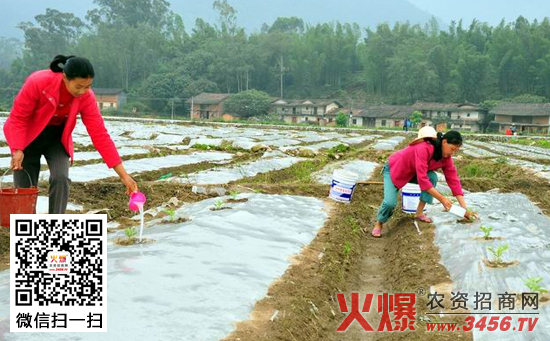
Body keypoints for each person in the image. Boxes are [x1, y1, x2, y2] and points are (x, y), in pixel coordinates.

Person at [3, 55, 138, 214]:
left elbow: (100, 134)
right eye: (79, 86)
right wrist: (17, 149)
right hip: (28, 136)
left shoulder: (86, 97)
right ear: (65, 77)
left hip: (56, 138)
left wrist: (123, 175)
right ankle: (27, 228)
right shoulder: (38, 82)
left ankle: (55, 225)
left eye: (88, 86)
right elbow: (18, 117)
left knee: (61, 178)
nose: (83, 91)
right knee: (24, 188)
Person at [371, 126, 475, 238]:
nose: (452, 153)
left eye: (456, 150)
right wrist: (443, 199)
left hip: (413, 172)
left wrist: (464, 209)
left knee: (433, 177)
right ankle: (379, 223)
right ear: (444, 142)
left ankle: (419, 213)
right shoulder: (424, 148)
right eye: (452, 149)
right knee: (390, 203)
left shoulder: (446, 159)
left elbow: (453, 180)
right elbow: (422, 180)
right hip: (396, 169)